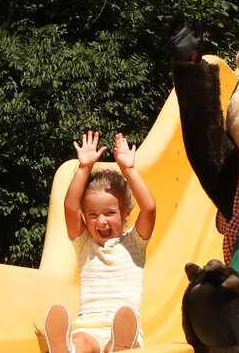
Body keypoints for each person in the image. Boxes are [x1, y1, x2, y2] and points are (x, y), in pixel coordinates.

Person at [44, 131, 157, 353]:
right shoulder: (84, 243)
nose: (101, 220)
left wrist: (129, 170)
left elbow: (150, 208)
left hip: (124, 325)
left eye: (109, 212)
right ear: (85, 217)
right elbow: (70, 208)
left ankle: (117, 347)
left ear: (125, 215)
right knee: (82, 342)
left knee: (126, 342)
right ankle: (66, 349)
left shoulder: (135, 242)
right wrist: (84, 168)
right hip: (88, 325)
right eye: (93, 214)